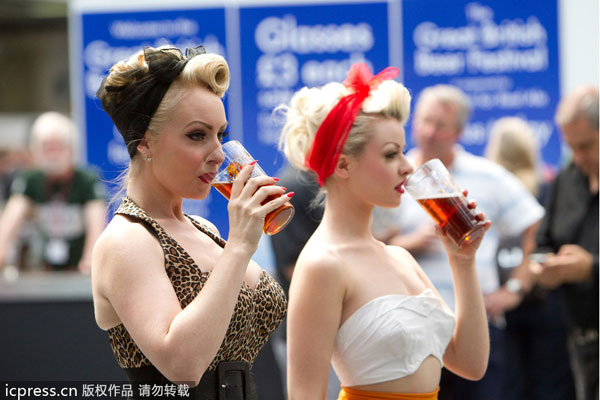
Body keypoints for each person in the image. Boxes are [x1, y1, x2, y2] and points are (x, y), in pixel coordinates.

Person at [279, 63, 491, 400]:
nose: (408, 166)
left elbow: (471, 363)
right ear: (343, 164)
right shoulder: (323, 264)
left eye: (403, 152)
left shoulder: (399, 257)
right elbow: (305, 395)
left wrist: (463, 262)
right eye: (391, 154)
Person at [92, 45, 287, 399]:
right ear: (145, 142)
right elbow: (182, 366)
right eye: (197, 135)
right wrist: (241, 244)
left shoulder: (204, 229)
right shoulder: (127, 240)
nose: (217, 154)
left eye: (221, 135)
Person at [377, 85, 545, 400]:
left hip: (474, 324)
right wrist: (408, 242)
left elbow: (537, 228)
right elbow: (368, 241)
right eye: (424, 121)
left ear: (458, 132)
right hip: (409, 327)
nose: (428, 132)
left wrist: (514, 291)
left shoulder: (489, 176)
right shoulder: (392, 175)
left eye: (440, 125)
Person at [485, 117, 575, 400]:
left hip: (500, 305)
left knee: (508, 387)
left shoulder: (491, 193)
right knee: (551, 385)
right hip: (546, 300)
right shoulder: (549, 189)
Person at [530, 86, 599, 400]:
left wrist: (591, 269)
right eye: (572, 147)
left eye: (587, 146)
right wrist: (545, 267)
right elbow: (543, 243)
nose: (579, 157)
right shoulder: (564, 181)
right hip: (580, 341)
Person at [0, 112, 106, 273]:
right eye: (45, 148)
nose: (52, 154)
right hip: (44, 268)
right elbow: (10, 221)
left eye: (57, 147)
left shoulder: (87, 180)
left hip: (79, 268)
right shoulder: (30, 179)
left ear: (71, 148)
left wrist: (90, 261)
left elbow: (96, 222)